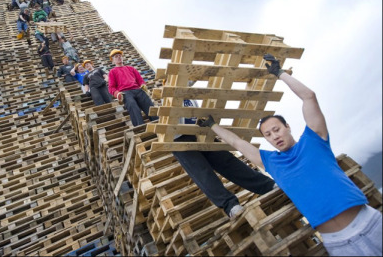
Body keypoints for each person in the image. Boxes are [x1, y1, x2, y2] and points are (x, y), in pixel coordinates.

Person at [197, 54, 382, 256]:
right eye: (267, 134)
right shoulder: (270, 162)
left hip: (371, 225)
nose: (274, 136)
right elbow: (236, 143)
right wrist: (212, 125)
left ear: (287, 126)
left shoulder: (314, 141)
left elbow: (309, 96)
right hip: (338, 244)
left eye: (276, 129)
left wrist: (279, 73)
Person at [171, 80, 276, 220]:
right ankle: (230, 206)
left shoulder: (191, 96)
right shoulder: (170, 94)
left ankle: (268, 186)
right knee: (203, 173)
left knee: (227, 161)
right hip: (178, 138)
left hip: (200, 132)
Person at [108, 49, 158, 126]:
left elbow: (140, 80)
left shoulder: (131, 68)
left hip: (137, 89)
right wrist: (117, 94)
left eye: (120, 56)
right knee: (133, 108)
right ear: (113, 61)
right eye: (116, 56)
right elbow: (111, 87)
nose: (119, 57)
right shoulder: (112, 72)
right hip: (126, 93)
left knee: (149, 105)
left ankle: (158, 123)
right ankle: (140, 128)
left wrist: (143, 85)